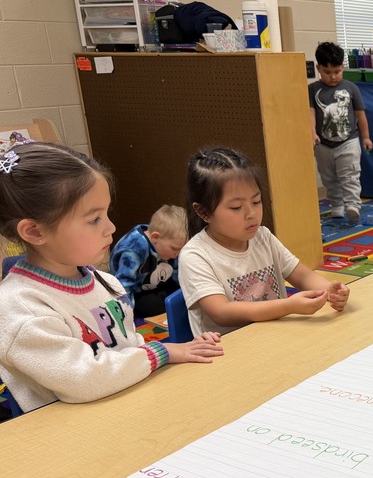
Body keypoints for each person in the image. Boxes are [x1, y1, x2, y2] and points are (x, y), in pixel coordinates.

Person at [0, 141, 223, 414]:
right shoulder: (20, 308)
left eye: (106, 214)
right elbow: (85, 378)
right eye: (94, 219)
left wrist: (173, 352)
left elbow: (127, 346)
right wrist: (164, 352)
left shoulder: (103, 282)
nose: (111, 227)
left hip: (124, 408)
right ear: (34, 232)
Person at [178, 147, 350, 337]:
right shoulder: (195, 255)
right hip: (232, 350)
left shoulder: (263, 237)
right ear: (204, 212)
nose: (251, 214)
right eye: (236, 207)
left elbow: (301, 275)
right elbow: (222, 312)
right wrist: (288, 306)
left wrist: (330, 290)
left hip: (277, 336)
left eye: (256, 201)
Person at [309, 41, 372, 225]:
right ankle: (336, 205)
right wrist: (312, 132)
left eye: (337, 71)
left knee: (350, 175)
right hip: (323, 143)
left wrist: (366, 137)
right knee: (329, 177)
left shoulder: (351, 88)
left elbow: (360, 114)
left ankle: (353, 205)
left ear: (342, 67)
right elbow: (310, 113)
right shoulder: (312, 90)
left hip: (348, 141)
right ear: (318, 68)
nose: (333, 77)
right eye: (327, 72)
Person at [109, 204, 187, 318]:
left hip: (157, 284)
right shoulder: (133, 250)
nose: (178, 253)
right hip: (136, 292)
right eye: (175, 249)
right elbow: (124, 287)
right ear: (155, 237)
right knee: (153, 306)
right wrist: (126, 316)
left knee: (181, 297)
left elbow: (178, 276)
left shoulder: (167, 242)